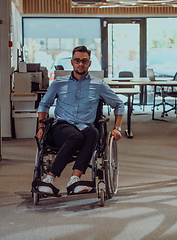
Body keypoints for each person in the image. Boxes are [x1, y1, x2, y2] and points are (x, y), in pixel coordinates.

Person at [36, 46, 124, 195]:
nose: (80, 64)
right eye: (77, 61)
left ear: (89, 63)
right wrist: (41, 127)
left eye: (84, 61)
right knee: (76, 136)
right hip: (62, 127)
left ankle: (75, 179)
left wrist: (117, 128)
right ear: (72, 62)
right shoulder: (59, 83)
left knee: (93, 133)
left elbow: (118, 104)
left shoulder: (98, 84)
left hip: (86, 126)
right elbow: (44, 104)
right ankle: (50, 178)